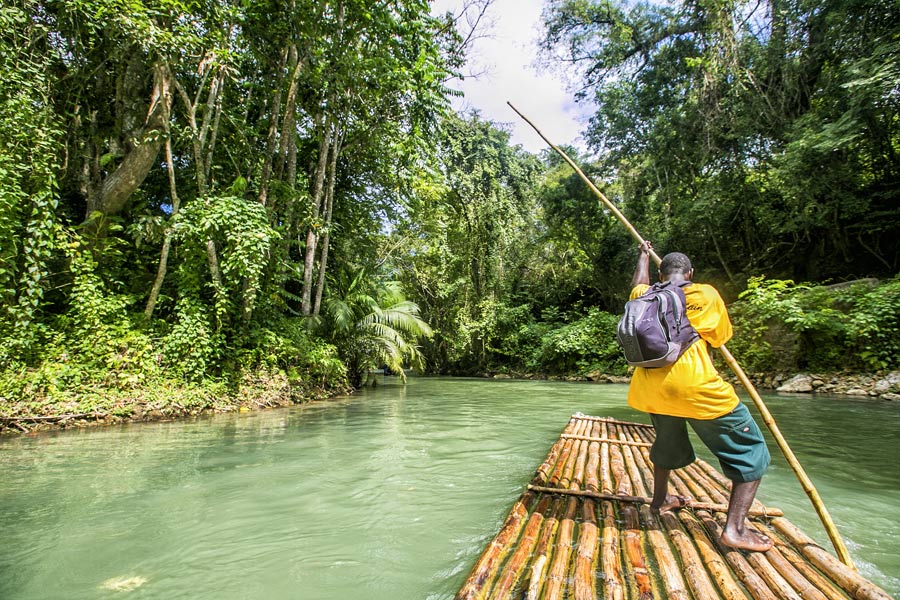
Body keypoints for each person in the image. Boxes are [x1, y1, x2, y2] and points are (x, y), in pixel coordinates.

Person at [627, 240, 774, 552]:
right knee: (752, 450)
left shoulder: (644, 295)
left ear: (660, 273)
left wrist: (642, 255)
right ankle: (734, 529)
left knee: (666, 440)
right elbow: (719, 336)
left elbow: (637, 284)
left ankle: (661, 499)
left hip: (650, 390)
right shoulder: (704, 293)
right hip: (693, 387)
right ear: (690, 272)